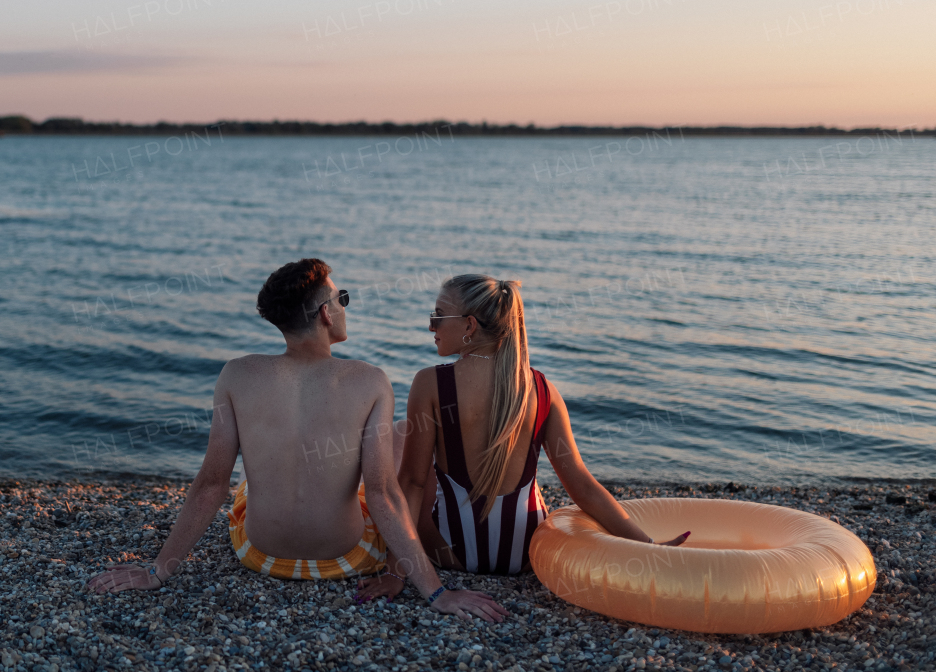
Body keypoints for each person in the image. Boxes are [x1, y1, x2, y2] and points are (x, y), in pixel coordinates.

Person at [87, 259, 507, 621]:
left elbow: (211, 484)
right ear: (325, 314)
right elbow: (382, 495)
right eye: (341, 298)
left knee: (247, 484)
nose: (344, 306)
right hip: (347, 558)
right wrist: (437, 592)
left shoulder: (236, 374)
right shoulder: (369, 381)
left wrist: (157, 571)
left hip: (260, 555)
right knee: (400, 443)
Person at [358, 274, 687, 599]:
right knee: (529, 477)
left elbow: (413, 484)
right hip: (525, 555)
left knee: (403, 441)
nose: (432, 326)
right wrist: (648, 548)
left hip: (452, 554)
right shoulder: (543, 389)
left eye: (438, 316)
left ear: (469, 326)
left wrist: (394, 573)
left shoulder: (430, 383)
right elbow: (582, 486)